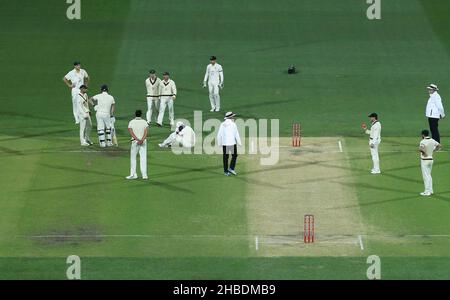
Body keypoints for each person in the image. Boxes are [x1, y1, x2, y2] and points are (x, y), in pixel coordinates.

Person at [217, 112, 242, 176]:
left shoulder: (222, 124)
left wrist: (219, 143)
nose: (234, 117)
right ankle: (231, 168)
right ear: (230, 117)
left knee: (226, 157)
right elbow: (237, 134)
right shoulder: (233, 124)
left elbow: (219, 135)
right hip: (232, 144)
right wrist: (239, 143)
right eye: (233, 117)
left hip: (225, 144)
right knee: (234, 156)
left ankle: (226, 171)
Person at [127, 110, 149, 180]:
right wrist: (142, 140)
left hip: (135, 142)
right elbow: (146, 132)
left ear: (135, 114)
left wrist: (137, 139)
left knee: (133, 158)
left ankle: (133, 175)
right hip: (143, 142)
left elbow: (131, 132)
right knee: (143, 158)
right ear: (141, 115)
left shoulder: (131, 122)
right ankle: (144, 175)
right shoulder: (144, 122)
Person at [419, 129, 442, 196]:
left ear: (423, 135)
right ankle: (431, 190)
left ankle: (427, 192)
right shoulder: (432, 140)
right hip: (431, 159)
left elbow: (421, 148)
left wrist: (425, 153)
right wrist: (433, 151)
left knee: (426, 176)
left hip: (424, 160)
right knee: (429, 175)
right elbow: (439, 146)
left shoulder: (423, 141)